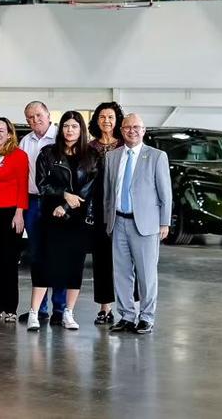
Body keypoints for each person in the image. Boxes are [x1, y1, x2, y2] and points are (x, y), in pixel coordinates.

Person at [25, 110, 98, 332]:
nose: (69, 130)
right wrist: (63, 195)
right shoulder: (48, 153)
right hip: (50, 216)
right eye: (66, 126)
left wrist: (65, 205)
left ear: (81, 130)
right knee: (44, 263)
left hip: (77, 219)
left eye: (74, 126)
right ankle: (34, 313)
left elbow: (89, 189)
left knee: (74, 267)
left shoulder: (92, 156)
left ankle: (68, 312)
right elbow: (42, 184)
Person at [105, 114, 172, 336]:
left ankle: (146, 317)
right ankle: (126, 316)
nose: (132, 131)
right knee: (121, 273)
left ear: (143, 130)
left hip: (145, 224)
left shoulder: (156, 156)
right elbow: (108, 192)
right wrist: (107, 220)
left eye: (136, 127)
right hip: (118, 222)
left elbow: (165, 194)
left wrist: (164, 222)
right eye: (127, 127)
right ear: (121, 130)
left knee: (146, 274)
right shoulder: (112, 157)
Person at [17, 100, 64, 325]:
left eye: (38, 115)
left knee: (58, 254)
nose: (35, 120)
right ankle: (40, 309)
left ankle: (60, 308)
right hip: (33, 202)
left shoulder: (60, 138)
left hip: (56, 202)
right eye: (30, 117)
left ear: (48, 115)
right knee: (37, 255)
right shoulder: (25, 141)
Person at [0, 117, 29, 322]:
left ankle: (10, 308)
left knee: (9, 261)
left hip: (10, 213)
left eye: (1, 130)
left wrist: (19, 213)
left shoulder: (19, 156)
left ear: (10, 134)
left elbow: (23, 185)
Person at [88, 101, 125, 325]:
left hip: (121, 209)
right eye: (102, 117)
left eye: (110, 117)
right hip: (98, 211)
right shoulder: (90, 148)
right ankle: (105, 308)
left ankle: (130, 308)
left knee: (126, 260)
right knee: (102, 260)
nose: (106, 121)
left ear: (117, 120)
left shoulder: (125, 145)